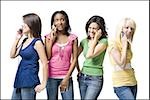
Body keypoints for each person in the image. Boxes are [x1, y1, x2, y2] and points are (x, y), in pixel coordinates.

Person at [10, 13, 48, 99]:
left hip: (29, 80)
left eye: (25, 23)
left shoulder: (37, 42)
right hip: (19, 78)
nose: (22, 25)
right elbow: (12, 55)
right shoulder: (25, 40)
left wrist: (43, 84)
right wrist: (17, 39)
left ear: (32, 24)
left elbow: (45, 63)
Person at [45, 10, 78, 100]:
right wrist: (52, 38)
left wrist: (67, 78)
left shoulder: (73, 38)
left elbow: (74, 59)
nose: (60, 22)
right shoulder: (47, 37)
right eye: (57, 20)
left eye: (62, 19)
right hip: (51, 77)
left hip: (66, 76)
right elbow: (47, 57)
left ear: (66, 21)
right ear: (53, 23)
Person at [76, 15, 108, 99]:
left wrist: (95, 39)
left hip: (95, 78)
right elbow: (74, 56)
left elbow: (89, 55)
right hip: (83, 77)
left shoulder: (103, 42)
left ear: (100, 30)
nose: (91, 30)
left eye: (94, 28)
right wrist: (79, 70)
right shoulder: (84, 41)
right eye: (89, 27)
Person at [108, 17, 137, 100]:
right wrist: (124, 46)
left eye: (132, 28)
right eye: (127, 27)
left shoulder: (128, 44)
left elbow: (127, 62)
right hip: (121, 83)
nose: (130, 30)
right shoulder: (113, 44)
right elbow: (121, 64)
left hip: (132, 81)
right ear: (120, 29)